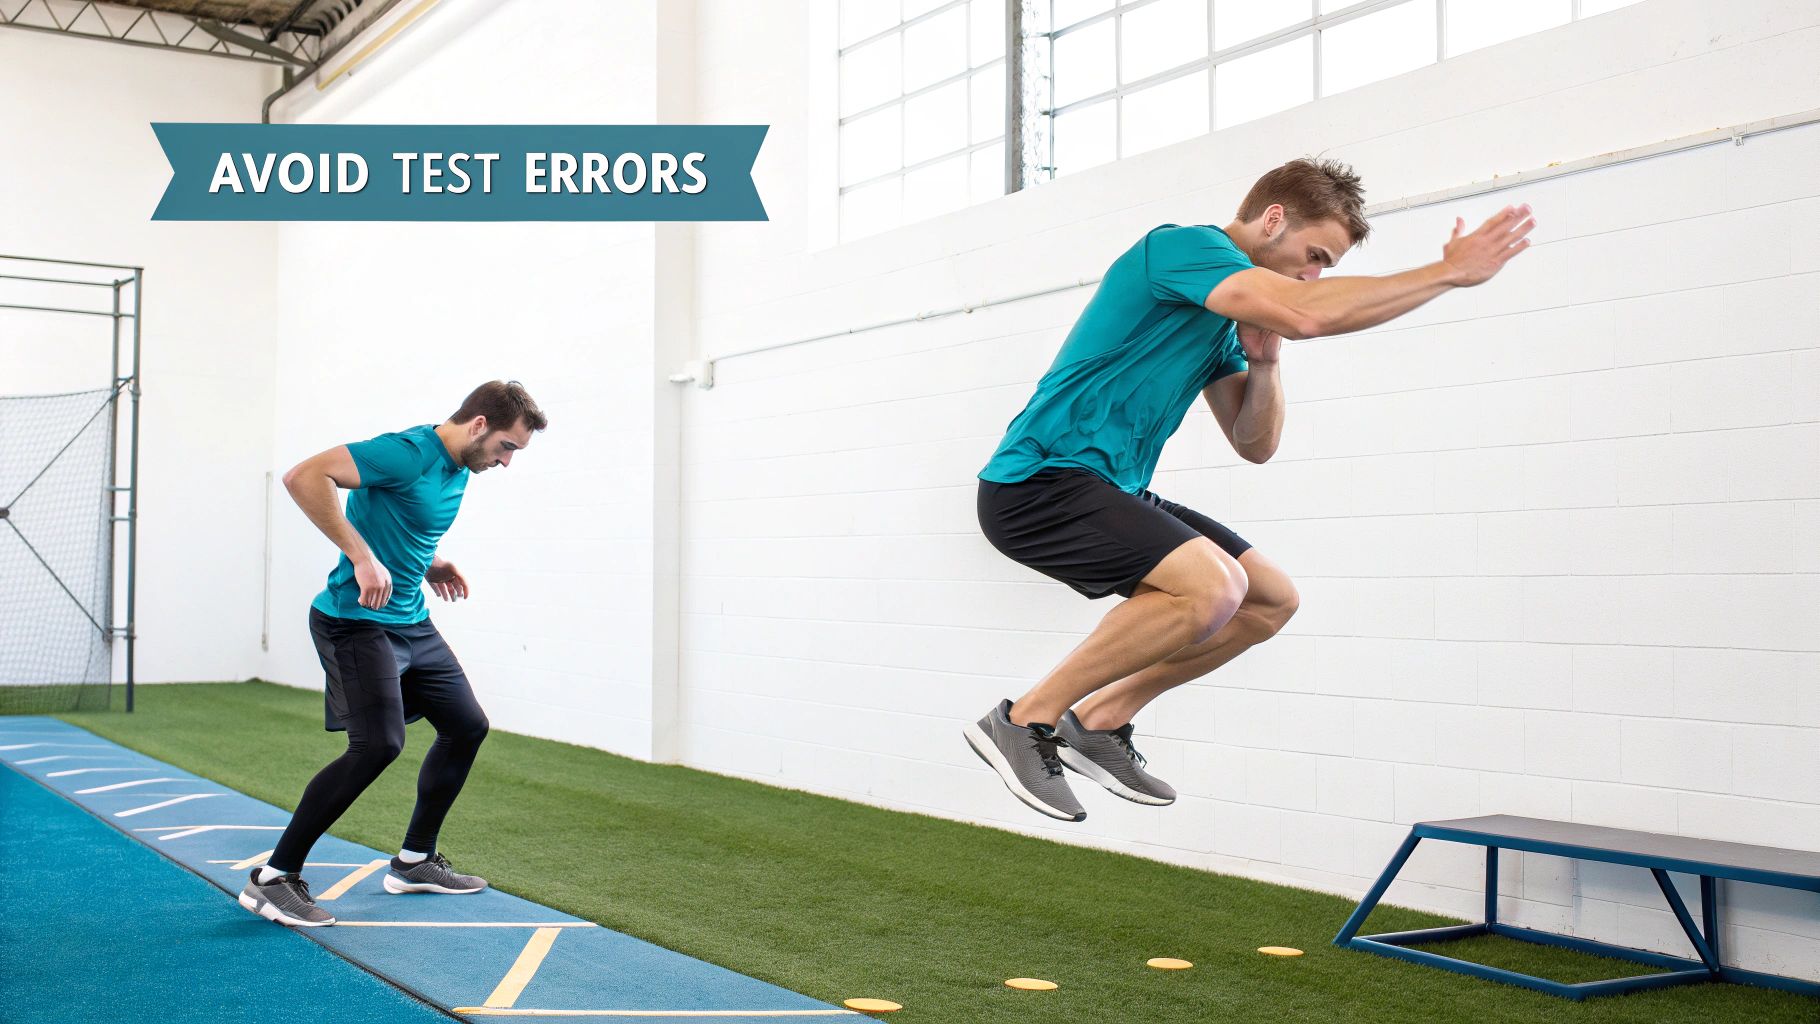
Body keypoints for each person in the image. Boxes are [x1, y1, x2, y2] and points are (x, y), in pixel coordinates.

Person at [967, 158, 1534, 821]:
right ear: (1272, 219)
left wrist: (1263, 363)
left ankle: (1099, 720)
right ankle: (1023, 719)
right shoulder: (1181, 249)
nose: (1314, 275)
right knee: (1212, 588)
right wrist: (1448, 271)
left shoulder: (1218, 317)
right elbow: (1307, 314)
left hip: (1110, 485)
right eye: (1314, 255)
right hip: (1038, 480)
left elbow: (1255, 442)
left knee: (1267, 600)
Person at [238, 380, 547, 926]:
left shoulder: (457, 467)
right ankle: (274, 877)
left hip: (411, 623)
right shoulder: (404, 453)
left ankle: (414, 861)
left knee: (466, 725)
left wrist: (430, 564)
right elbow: (303, 476)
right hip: (353, 622)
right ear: (479, 426)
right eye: (506, 448)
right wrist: (359, 556)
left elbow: (401, 520)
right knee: (377, 745)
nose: (506, 462)